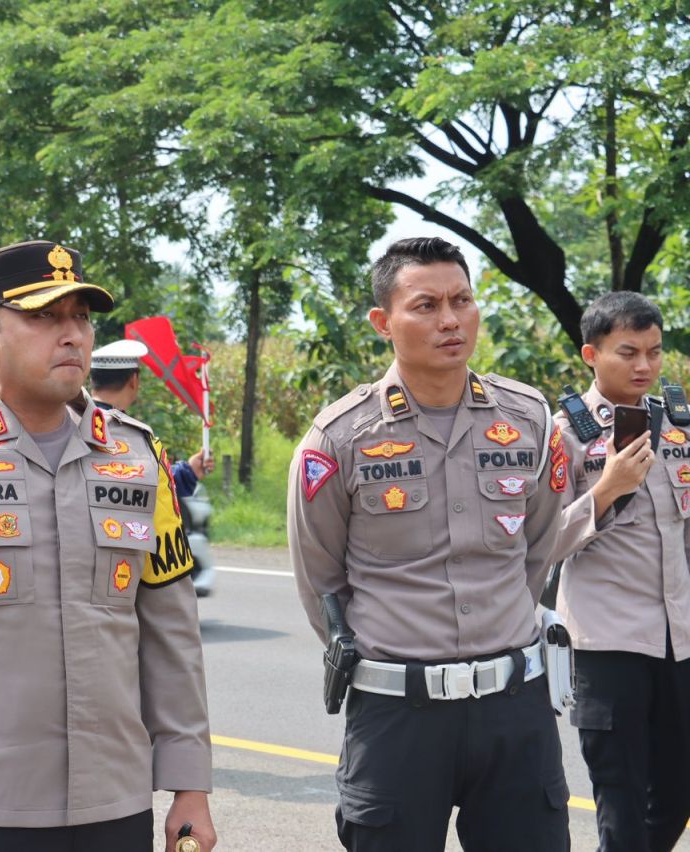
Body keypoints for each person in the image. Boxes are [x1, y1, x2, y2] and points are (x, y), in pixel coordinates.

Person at [0, 240, 215, 852]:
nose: (72, 335)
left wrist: (189, 785)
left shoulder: (137, 457)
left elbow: (171, 630)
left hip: (117, 804)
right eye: (43, 317)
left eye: (79, 316)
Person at [286, 237, 569, 851]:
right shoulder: (340, 438)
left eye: (462, 300)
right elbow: (321, 581)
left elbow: (539, 548)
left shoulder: (528, 419)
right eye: (426, 305)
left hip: (515, 708)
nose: (450, 319)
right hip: (398, 718)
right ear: (383, 322)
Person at [549, 291, 690, 851]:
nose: (644, 367)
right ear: (591, 353)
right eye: (628, 352)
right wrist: (605, 491)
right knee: (622, 801)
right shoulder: (565, 434)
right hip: (607, 646)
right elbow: (542, 543)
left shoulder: (677, 426)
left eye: (654, 352)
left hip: (679, 641)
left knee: (678, 792)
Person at [90, 338, 215, 497]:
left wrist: (188, 472)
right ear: (134, 381)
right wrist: (186, 474)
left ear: (92, 380)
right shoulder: (133, 438)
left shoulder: (70, 423)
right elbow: (153, 493)